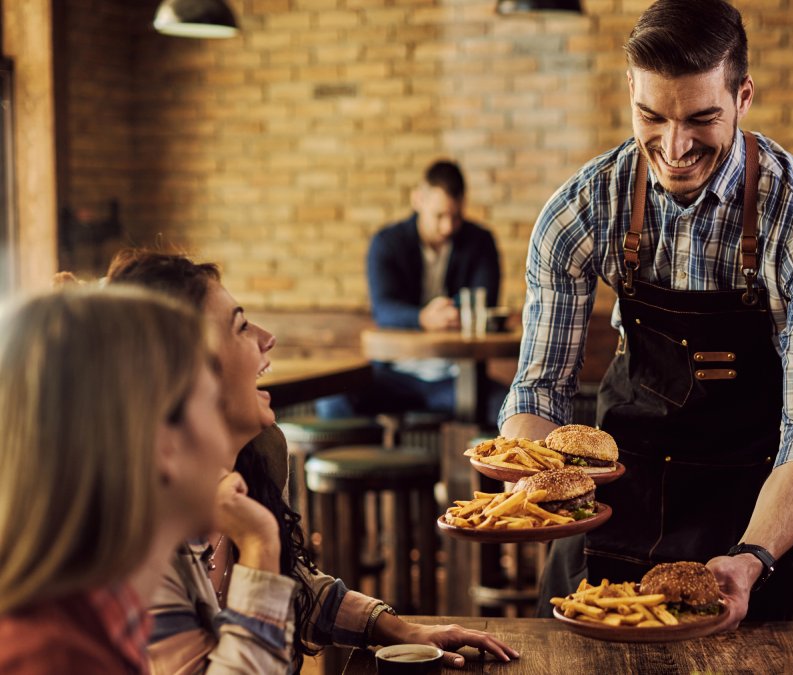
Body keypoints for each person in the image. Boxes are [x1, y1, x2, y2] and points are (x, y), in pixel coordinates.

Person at [499, 0, 793, 626]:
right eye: (652, 116)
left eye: (702, 118)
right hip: (610, 509)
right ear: (630, 92)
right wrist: (538, 489)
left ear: (743, 96)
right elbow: (540, 389)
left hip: (746, 526)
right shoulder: (585, 207)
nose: (674, 147)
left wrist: (751, 557)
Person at [107, 250, 518, 673]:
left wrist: (401, 630)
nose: (267, 338)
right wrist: (260, 543)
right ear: (184, 373)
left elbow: (297, 586)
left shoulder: (253, 462)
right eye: (241, 327)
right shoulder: (135, 548)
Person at [0, 286, 229, 674]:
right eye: (215, 405)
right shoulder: (55, 661)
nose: (226, 441)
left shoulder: (91, 626)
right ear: (163, 442)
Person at [317, 160, 506, 422]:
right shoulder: (387, 242)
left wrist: (451, 314)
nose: (448, 227)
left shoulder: (480, 241)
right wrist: (423, 318)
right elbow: (383, 309)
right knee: (332, 402)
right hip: (395, 375)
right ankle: (380, 462)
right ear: (418, 200)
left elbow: (484, 303)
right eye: (439, 216)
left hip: (458, 377)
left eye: (456, 216)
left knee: (512, 411)